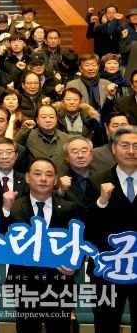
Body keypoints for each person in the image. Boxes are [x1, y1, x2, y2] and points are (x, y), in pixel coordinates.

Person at [0, 158, 80, 333]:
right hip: (24, 285)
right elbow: (1, 240)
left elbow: (77, 244)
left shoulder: (69, 208)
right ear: (27, 178)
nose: (43, 178)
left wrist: (74, 265)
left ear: (55, 179)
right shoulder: (14, 207)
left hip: (60, 284)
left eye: (49, 174)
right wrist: (5, 210)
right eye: (37, 174)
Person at [88, 125, 137, 331]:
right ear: (114, 149)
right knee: (106, 325)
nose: (131, 151)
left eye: (136, 146)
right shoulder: (96, 182)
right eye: (125, 145)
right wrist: (101, 202)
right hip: (107, 270)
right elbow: (87, 229)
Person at [58, 136, 98, 209]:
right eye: (75, 152)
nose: (80, 156)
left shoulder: (102, 176)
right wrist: (61, 192)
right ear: (67, 157)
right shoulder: (59, 180)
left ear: (92, 155)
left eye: (84, 151)